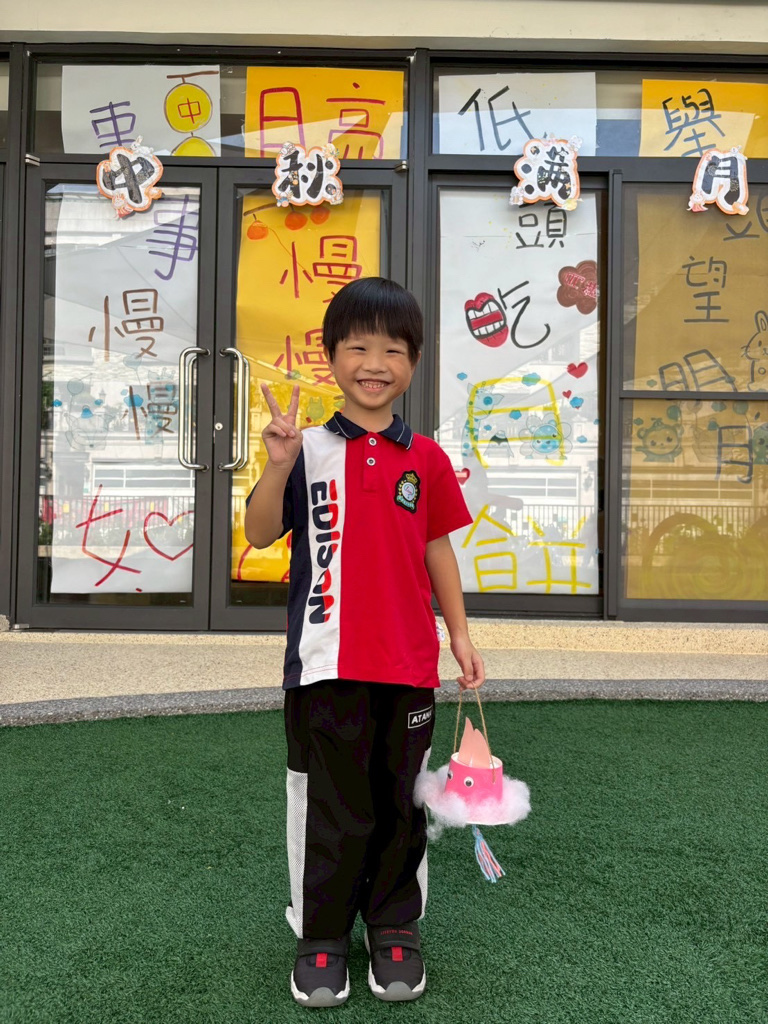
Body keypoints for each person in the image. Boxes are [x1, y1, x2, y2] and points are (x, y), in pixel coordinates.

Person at [244, 276, 485, 1008]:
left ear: (414, 362)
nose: (375, 364)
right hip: (324, 665)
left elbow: (438, 550)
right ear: (331, 356)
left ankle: (394, 928)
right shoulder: (307, 449)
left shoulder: (428, 459)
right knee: (327, 803)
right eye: (358, 347)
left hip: (409, 668)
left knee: (400, 802)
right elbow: (260, 532)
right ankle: (319, 936)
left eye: (393, 350)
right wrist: (277, 463)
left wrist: (460, 635)